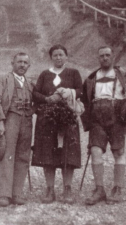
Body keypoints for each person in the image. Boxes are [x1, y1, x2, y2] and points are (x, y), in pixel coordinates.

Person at [32, 44, 82, 204]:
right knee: (48, 151)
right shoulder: (45, 74)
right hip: (47, 119)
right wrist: (47, 99)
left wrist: (70, 92)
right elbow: (35, 93)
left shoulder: (73, 73)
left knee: (68, 151)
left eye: (61, 55)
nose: (58, 58)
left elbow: (82, 90)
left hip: (67, 117)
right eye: (55, 55)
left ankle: (67, 189)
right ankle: (50, 189)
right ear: (51, 58)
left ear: (66, 57)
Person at [81, 46, 126, 205]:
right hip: (97, 118)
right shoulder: (91, 78)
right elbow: (85, 101)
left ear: (112, 56)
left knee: (119, 151)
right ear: (98, 58)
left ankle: (118, 187)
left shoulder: (122, 74)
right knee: (95, 150)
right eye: (102, 56)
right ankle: (99, 189)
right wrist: (87, 120)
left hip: (117, 116)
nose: (105, 58)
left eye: (108, 55)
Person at [0, 52, 34, 207]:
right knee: (7, 155)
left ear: (29, 66)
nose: (22, 65)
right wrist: (0, 121)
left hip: (27, 120)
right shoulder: (3, 79)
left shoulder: (31, 83)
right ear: (12, 63)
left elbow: (37, 100)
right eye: (19, 62)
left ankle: (17, 193)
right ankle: (5, 194)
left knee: (24, 156)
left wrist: (32, 111)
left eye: (25, 62)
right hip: (10, 118)